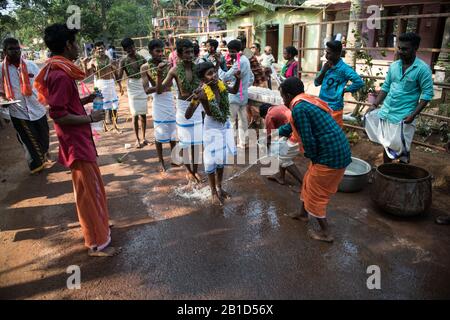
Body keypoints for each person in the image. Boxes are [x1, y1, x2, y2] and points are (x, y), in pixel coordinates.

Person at [35, 23, 119, 256]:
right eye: (76, 42)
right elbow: (58, 114)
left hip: (79, 139)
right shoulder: (61, 74)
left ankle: (99, 225)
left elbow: (64, 105)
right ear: (67, 45)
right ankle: (95, 242)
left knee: (93, 187)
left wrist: (86, 100)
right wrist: (90, 117)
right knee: (87, 192)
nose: (79, 47)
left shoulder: (60, 70)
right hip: (76, 142)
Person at [277, 77, 351, 243]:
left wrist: (313, 157)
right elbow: (293, 125)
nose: (283, 101)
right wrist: (277, 132)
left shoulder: (299, 108)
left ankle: (326, 232)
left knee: (316, 193)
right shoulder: (306, 101)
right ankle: (303, 214)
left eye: (282, 97)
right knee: (308, 182)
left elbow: (308, 139)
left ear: (288, 95)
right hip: (336, 150)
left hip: (329, 156)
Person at [364, 33, 434, 164]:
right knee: (386, 146)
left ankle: (401, 178)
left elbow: (427, 95)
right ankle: (386, 174)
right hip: (387, 113)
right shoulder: (394, 66)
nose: (401, 52)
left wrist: (413, 115)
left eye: (405, 49)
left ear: (415, 48)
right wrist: (375, 105)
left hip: (404, 118)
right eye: (399, 48)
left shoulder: (423, 69)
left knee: (403, 151)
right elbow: (386, 87)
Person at [186, 62, 241, 205]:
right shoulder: (203, 92)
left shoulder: (220, 84)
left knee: (221, 159)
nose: (214, 75)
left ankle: (220, 187)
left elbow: (234, 91)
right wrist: (194, 99)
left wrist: (238, 79)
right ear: (203, 79)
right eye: (209, 74)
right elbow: (187, 115)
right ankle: (213, 192)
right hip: (211, 127)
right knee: (211, 160)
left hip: (224, 124)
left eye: (214, 71)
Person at [0, 37, 50, 174]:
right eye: (11, 49)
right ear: (5, 51)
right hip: (18, 111)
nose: (16, 51)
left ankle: (43, 154)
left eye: (17, 48)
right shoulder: (1, 69)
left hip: (37, 108)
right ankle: (36, 165)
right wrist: (3, 100)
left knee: (44, 138)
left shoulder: (31, 65)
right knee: (28, 140)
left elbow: (43, 85)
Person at [157, 39, 203, 184]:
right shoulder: (174, 70)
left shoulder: (198, 68)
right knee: (185, 143)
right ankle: (189, 170)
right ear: (179, 54)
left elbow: (206, 83)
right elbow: (160, 90)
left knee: (196, 143)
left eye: (191, 52)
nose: (190, 55)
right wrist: (159, 74)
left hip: (196, 107)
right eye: (187, 52)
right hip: (183, 109)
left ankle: (195, 171)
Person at [141, 39, 177, 171]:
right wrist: (159, 80)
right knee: (159, 133)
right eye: (157, 51)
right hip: (158, 102)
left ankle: (174, 158)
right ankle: (160, 161)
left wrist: (159, 84)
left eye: (162, 50)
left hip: (168, 99)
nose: (160, 53)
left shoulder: (168, 65)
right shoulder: (145, 67)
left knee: (173, 132)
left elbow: (169, 86)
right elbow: (146, 90)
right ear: (151, 52)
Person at [314, 40, 363, 127]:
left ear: (337, 54)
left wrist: (344, 90)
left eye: (329, 53)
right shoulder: (326, 66)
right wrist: (323, 71)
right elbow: (316, 83)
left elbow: (359, 82)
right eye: (326, 52)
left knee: (334, 130)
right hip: (321, 104)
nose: (326, 55)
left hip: (334, 107)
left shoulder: (344, 69)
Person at [219, 39, 254, 149]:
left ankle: (232, 143)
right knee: (243, 120)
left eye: (233, 51)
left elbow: (225, 77)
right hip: (243, 95)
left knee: (232, 121)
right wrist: (243, 86)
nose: (231, 54)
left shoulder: (239, 62)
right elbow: (251, 78)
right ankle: (243, 142)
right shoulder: (245, 60)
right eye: (230, 51)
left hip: (235, 96)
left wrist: (218, 68)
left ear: (240, 51)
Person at [82, 41, 122, 133]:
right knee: (103, 106)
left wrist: (119, 85)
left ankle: (115, 126)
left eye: (102, 48)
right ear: (95, 50)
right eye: (98, 48)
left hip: (110, 84)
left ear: (105, 49)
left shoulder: (110, 60)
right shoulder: (93, 61)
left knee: (114, 106)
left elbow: (115, 73)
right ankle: (104, 126)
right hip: (100, 84)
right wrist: (84, 64)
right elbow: (86, 75)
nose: (100, 50)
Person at [260, 103, 302, 188]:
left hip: (296, 134)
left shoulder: (269, 116)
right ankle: (281, 177)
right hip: (294, 130)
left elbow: (270, 138)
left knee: (282, 158)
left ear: (264, 115)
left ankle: (304, 183)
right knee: (280, 151)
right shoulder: (279, 107)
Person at [117, 38, 149, 148]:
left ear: (134, 46)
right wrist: (116, 72)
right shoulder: (123, 61)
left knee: (143, 114)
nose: (129, 50)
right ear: (124, 50)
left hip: (141, 85)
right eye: (127, 49)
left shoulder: (142, 58)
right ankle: (137, 139)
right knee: (134, 114)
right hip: (132, 87)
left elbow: (148, 71)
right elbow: (119, 77)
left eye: (131, 47)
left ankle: (144, 138)